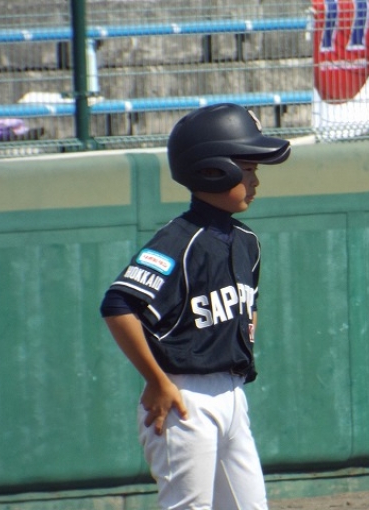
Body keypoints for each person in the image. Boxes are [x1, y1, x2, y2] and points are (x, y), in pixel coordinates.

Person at [100, 103, 291, 509]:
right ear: (213, 170)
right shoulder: (178, 240)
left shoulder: (247, 241)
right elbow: (118, 304)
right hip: (184, 396)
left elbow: (249, 306)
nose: (255, 180)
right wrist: (156, 380)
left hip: (231, 393)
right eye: (248, 169)